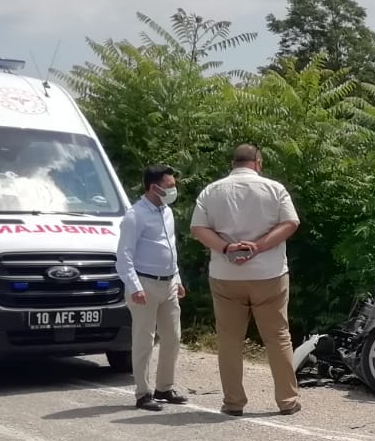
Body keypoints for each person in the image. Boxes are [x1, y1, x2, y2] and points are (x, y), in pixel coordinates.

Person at [189, 145, 302, 416]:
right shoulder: (275, 189)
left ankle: (233, 402)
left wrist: (227, 249)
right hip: (269, 274)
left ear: (233, 163)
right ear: (258, 162)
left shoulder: (211, 190)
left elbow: (197, 229)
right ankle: (287, 400)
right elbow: (290, 223)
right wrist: (258, 246)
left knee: (229, 339)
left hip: (226, 275)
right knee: (277, 337)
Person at [116, 163, 187, 412]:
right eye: (169, 186)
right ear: (153, 187)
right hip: (144, 284)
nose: (173, 189)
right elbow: (123, 256)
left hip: (167, 283)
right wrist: (134, 286)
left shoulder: (166, 212)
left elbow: (170, 248)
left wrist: (176, 279)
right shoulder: (134, 216)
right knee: (144, 340)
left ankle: (164, 388)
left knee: (173, 338)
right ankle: (143, 393)